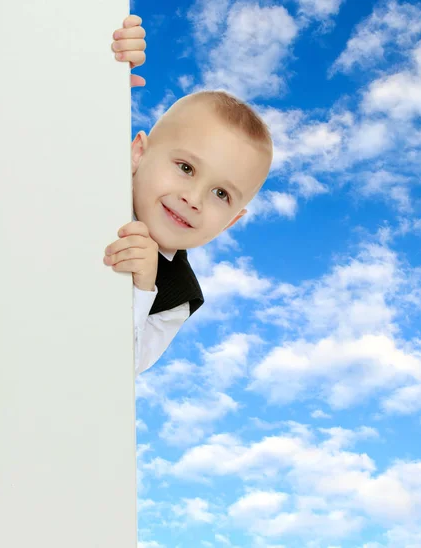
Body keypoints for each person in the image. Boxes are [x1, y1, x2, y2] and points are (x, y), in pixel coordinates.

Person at [109, 15, 273, 376]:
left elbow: (120, 374)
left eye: (220, 193)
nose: (194, 199)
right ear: (138, 153)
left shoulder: (178, 296)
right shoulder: (96, 175)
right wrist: (102, 62)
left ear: (231, 222)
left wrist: (142, 287)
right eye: (185, 167)